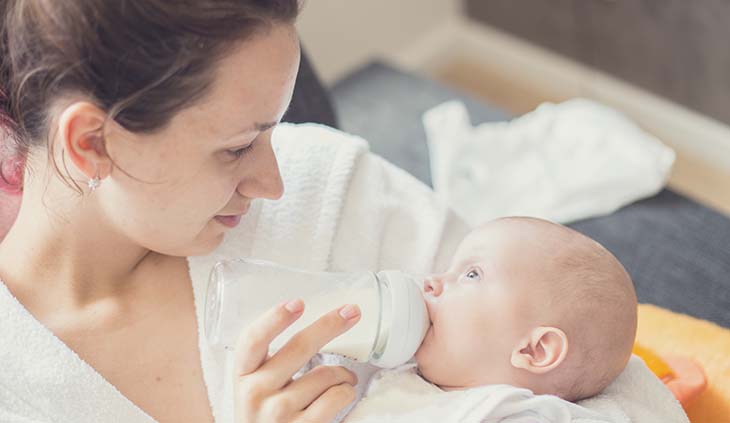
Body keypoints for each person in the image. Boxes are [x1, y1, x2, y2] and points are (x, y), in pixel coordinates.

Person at [0, 1, 686, 422]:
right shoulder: (20, 391)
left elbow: (609, 377)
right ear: (92, 143)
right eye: (237, 148)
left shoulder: (327, 189)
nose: (272, 178)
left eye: (273, 127)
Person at [345, 217, 638, 422]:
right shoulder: (397, 381)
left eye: (472, 274)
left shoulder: (517, 414)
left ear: (534, 350)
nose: (431, 281)